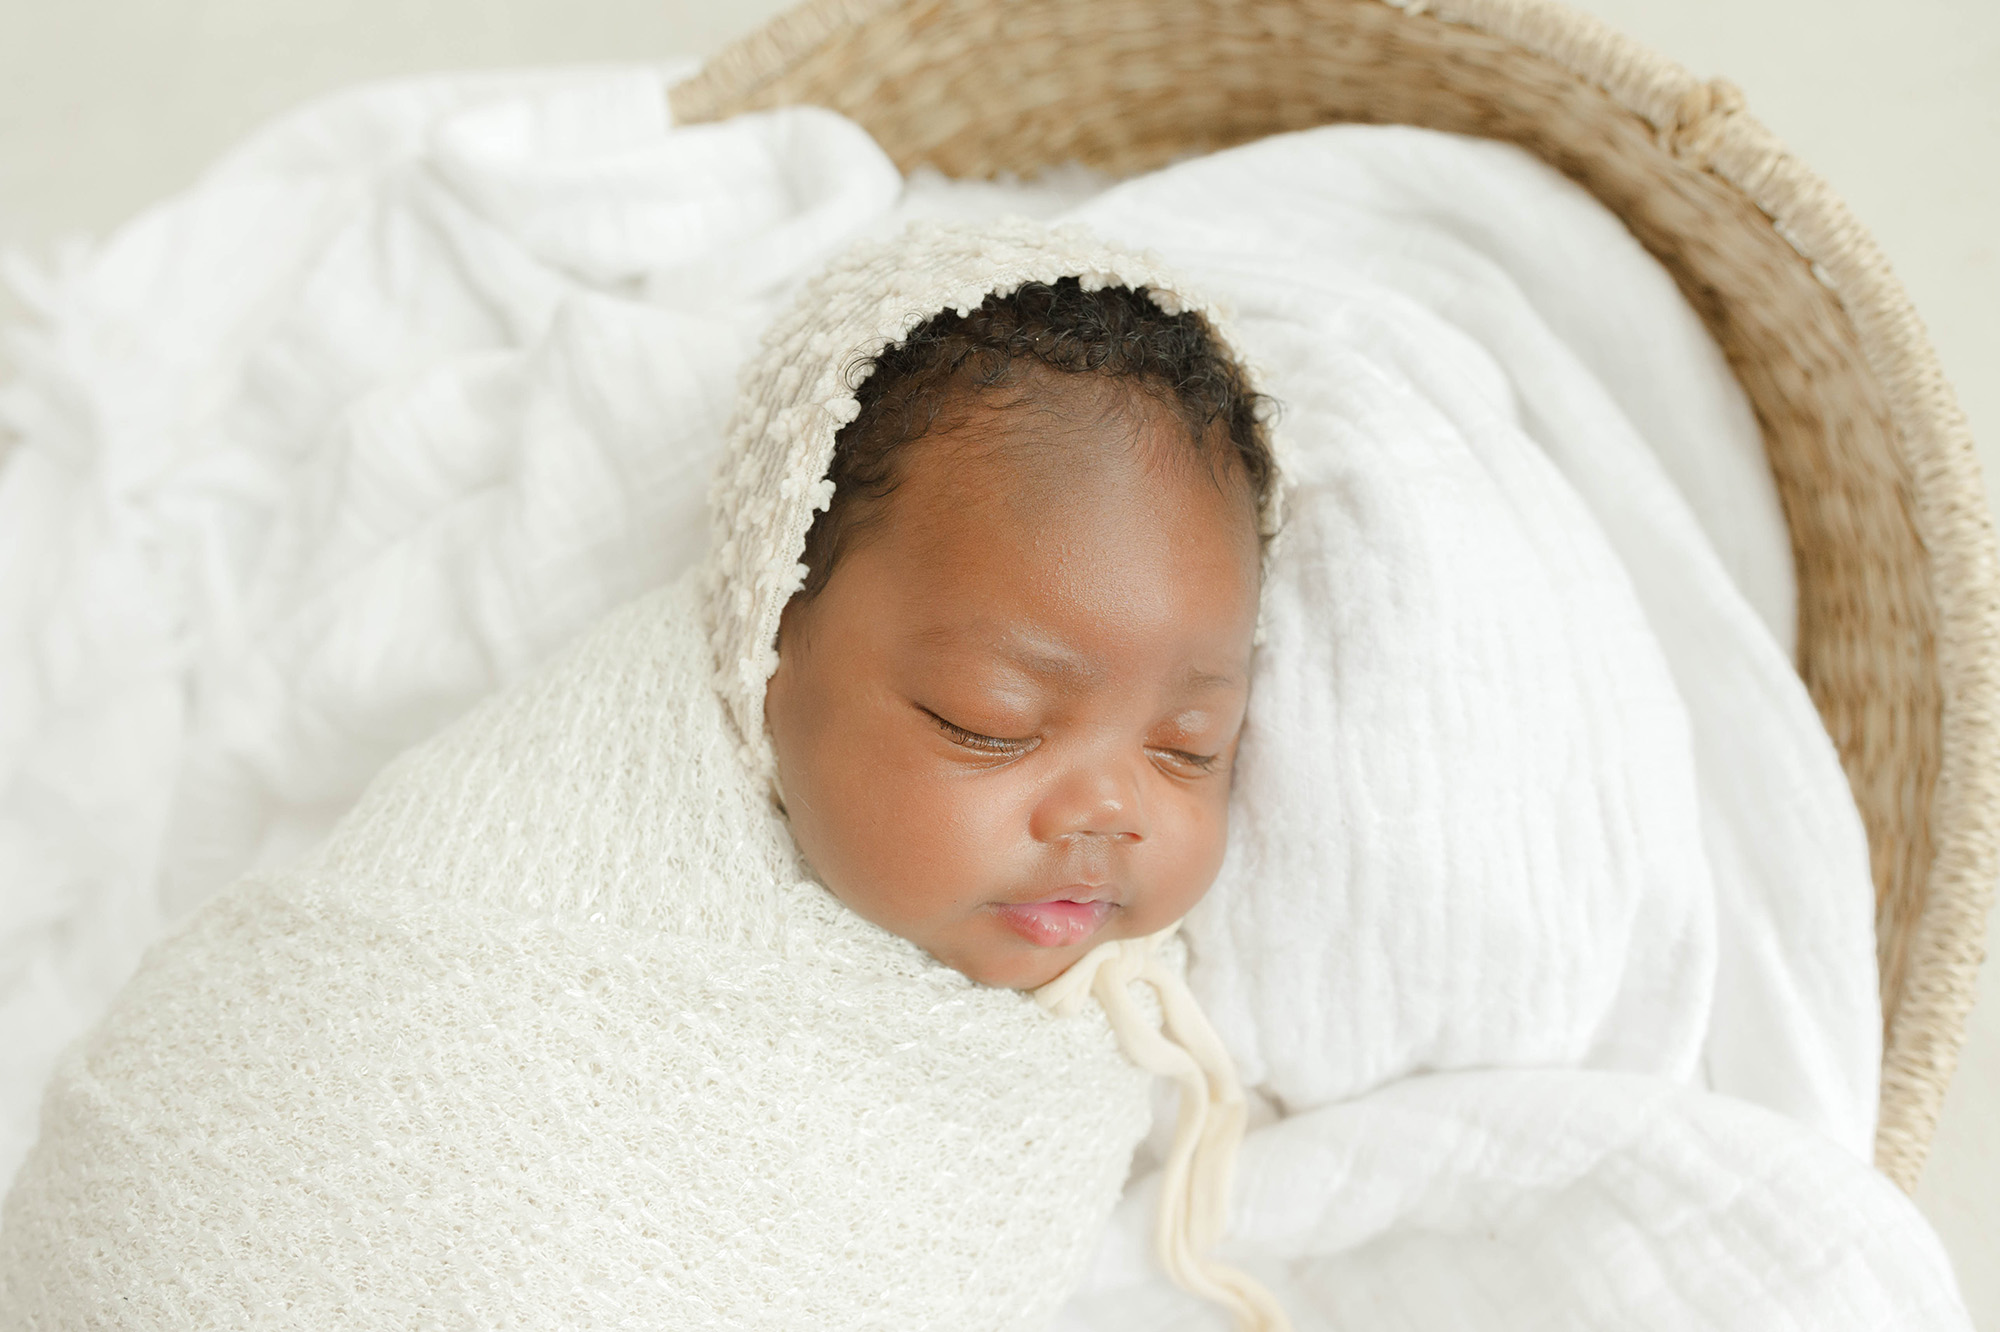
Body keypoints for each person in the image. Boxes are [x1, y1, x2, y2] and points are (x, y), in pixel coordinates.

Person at [0, 220, 1289, 1330]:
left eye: (1191, 747)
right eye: (991, 723)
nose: (1111, 810)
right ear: (768, 635)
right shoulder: (532, 858)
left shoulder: (1085, 1010)